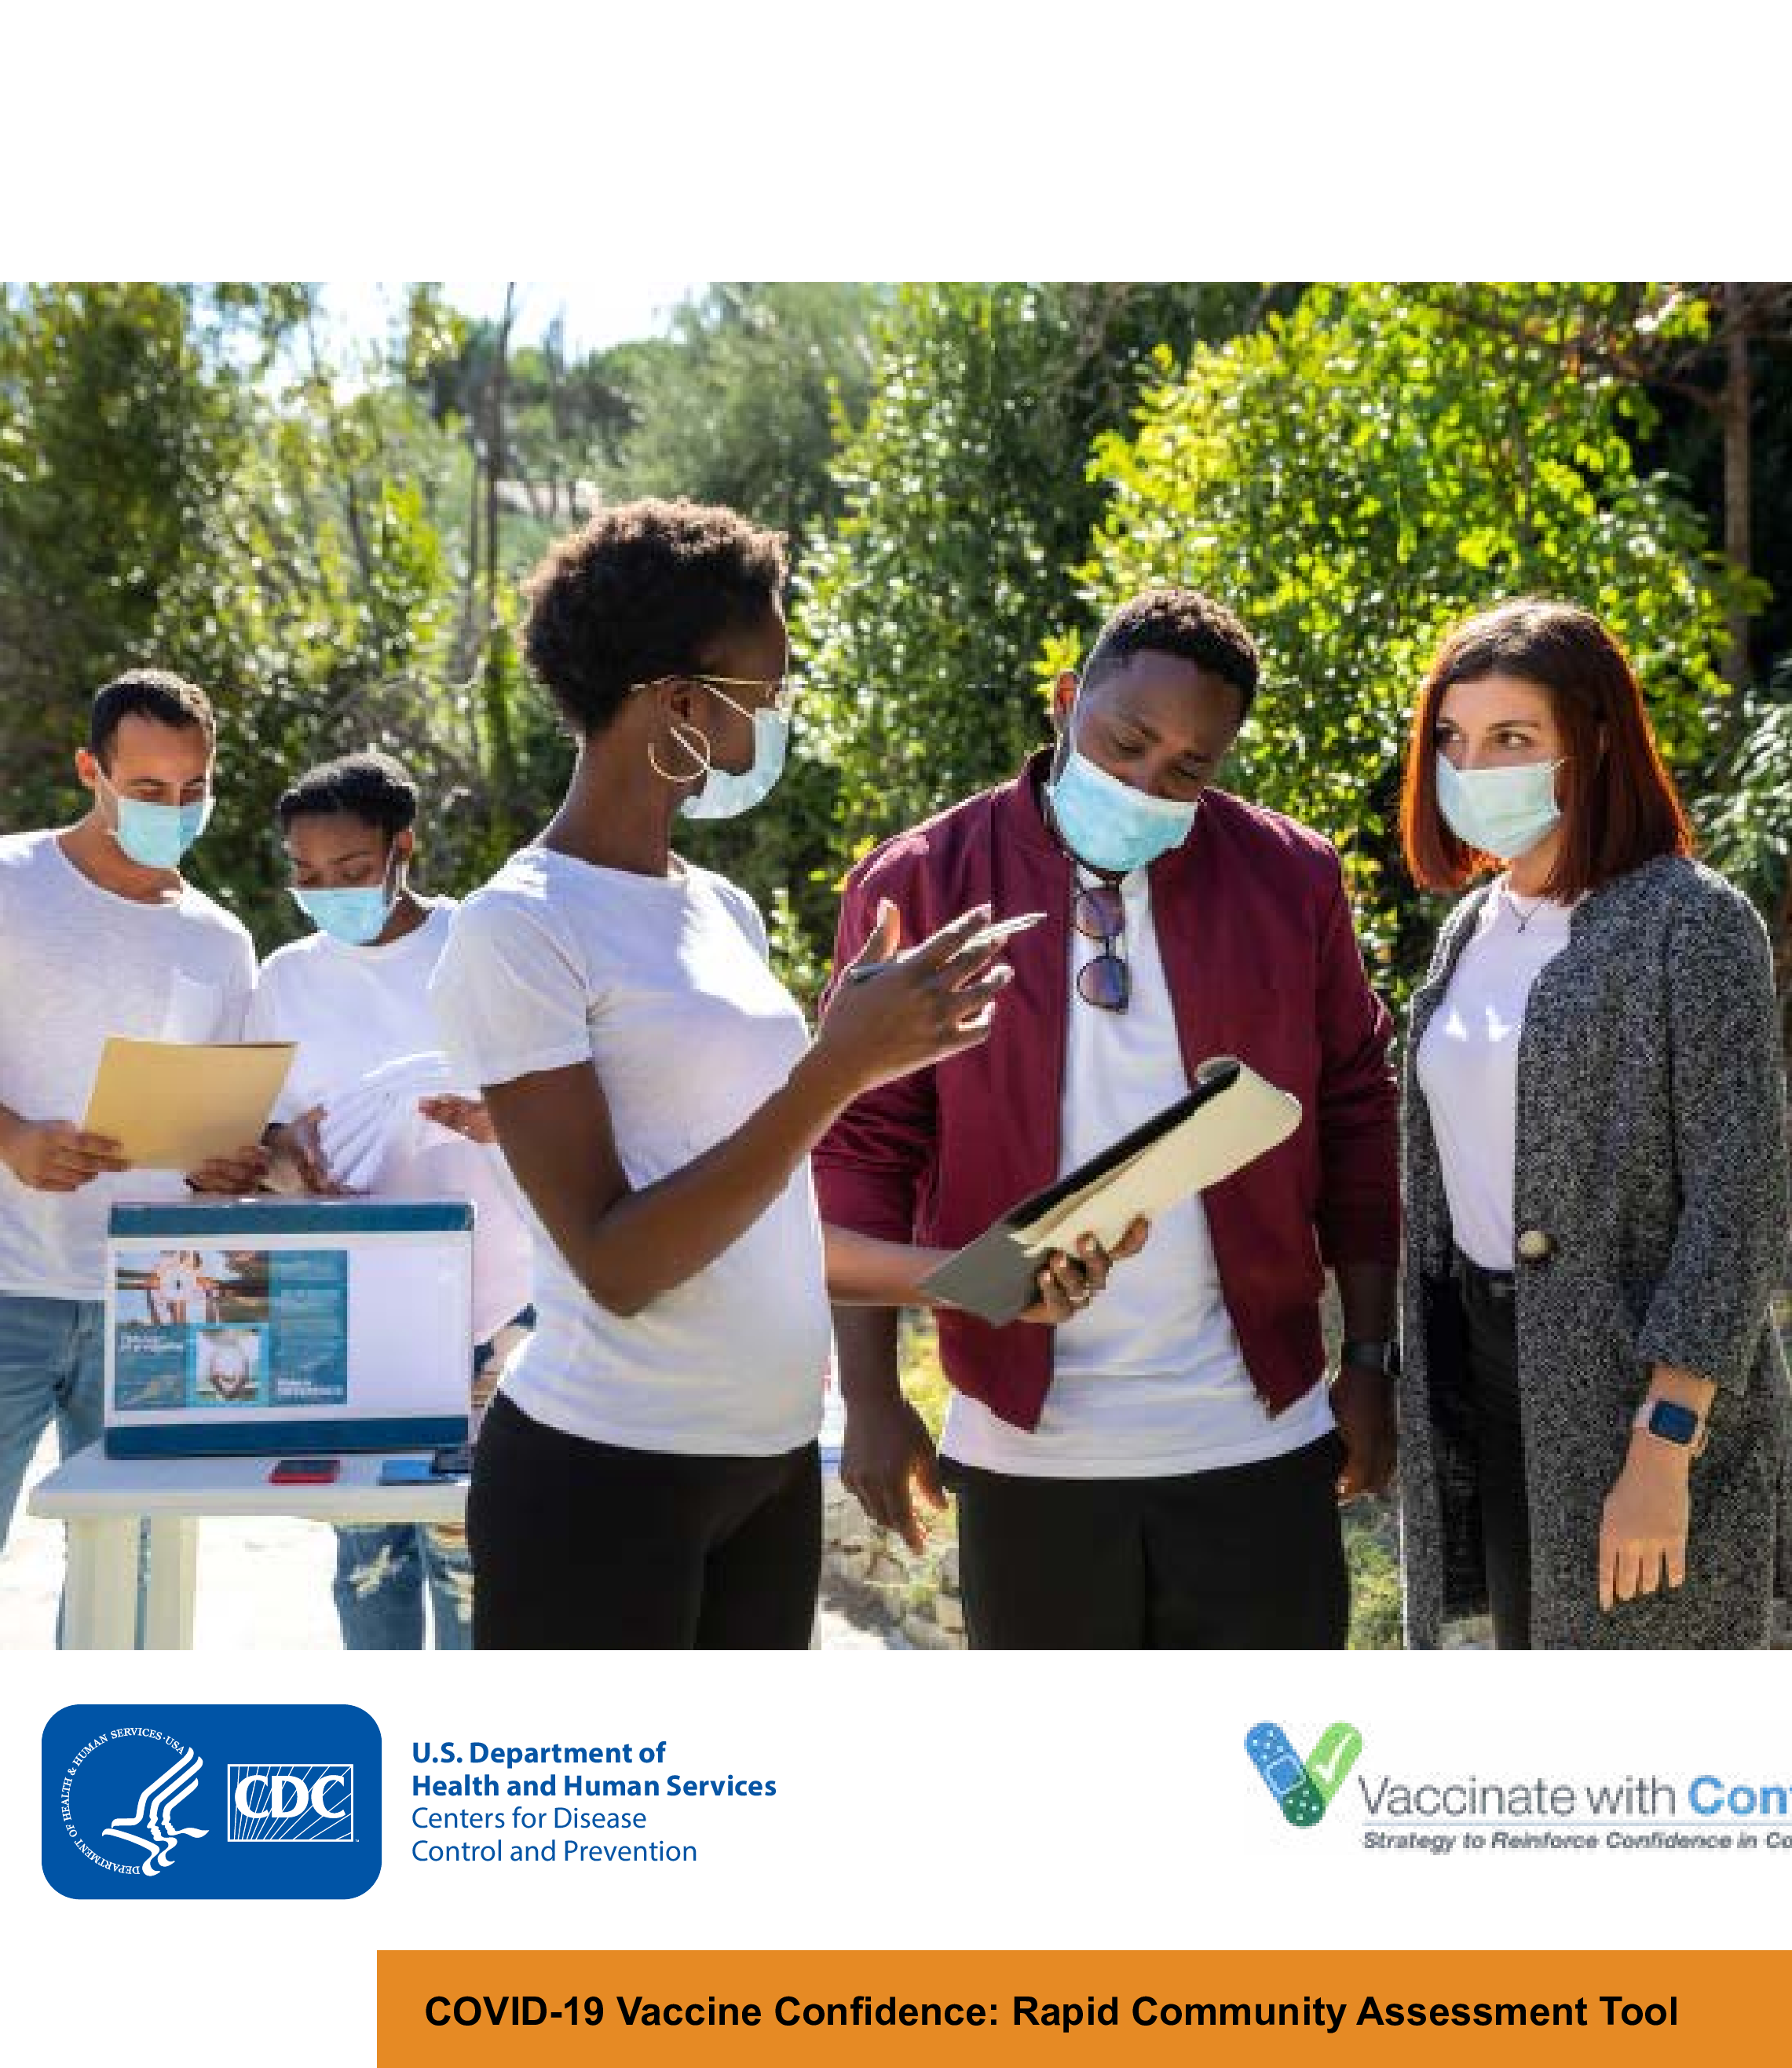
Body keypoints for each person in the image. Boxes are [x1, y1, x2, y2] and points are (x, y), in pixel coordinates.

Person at [429, 498, 1140, 1651]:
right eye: (769, 692)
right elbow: (616, 1263)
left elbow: (759, 1221)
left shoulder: (720, 909)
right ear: (675, 703)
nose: (781, 717)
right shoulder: (517, 929)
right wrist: (840, 1068)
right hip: (605, 1481)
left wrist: (973, 1277)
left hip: (764, 1472)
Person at [815, 586, 1403, 1650]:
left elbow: (1358, 1115)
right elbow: (862, 1150)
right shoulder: (920, 885)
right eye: (1126, 740)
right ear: (1064, 699)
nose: (1145, 782)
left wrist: (1368, 1355)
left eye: (1189, 767)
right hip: (1027, 1449)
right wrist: (868, 1393)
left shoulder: (1290, 879)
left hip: (1256, 1438)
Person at [1396, 595, 1792, 1649]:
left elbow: (1740, 1202)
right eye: (1451, 740)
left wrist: (1665, 1439)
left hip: (1640, 1390)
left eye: (1510, 739)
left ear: (1589, 740)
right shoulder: (1469, 928)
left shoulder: (1694, 922)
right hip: (1493, 1371)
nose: (1471, 767)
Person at [245, 747, 536, 1650]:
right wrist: (284, 1150)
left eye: (353, 871)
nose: (328, 891)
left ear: (404, 847)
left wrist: (501, 1121)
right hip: (350, 1311)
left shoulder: (481, 949)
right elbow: (262, 1136)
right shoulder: (287, 978)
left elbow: (572, 1106)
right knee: (367, 1555)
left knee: (473, 1550)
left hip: (495, 1304)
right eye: (306, 875)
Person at [0, 669, 266, 1611]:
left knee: (137, 1593)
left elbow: (225, 1131)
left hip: (157, 1302)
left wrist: (229, 1165)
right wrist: (12, 1138)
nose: (176, 809)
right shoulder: (8, 882)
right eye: (150, 790)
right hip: (8, 1287)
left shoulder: (221, 940)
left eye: (195, 790)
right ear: (90, 772)